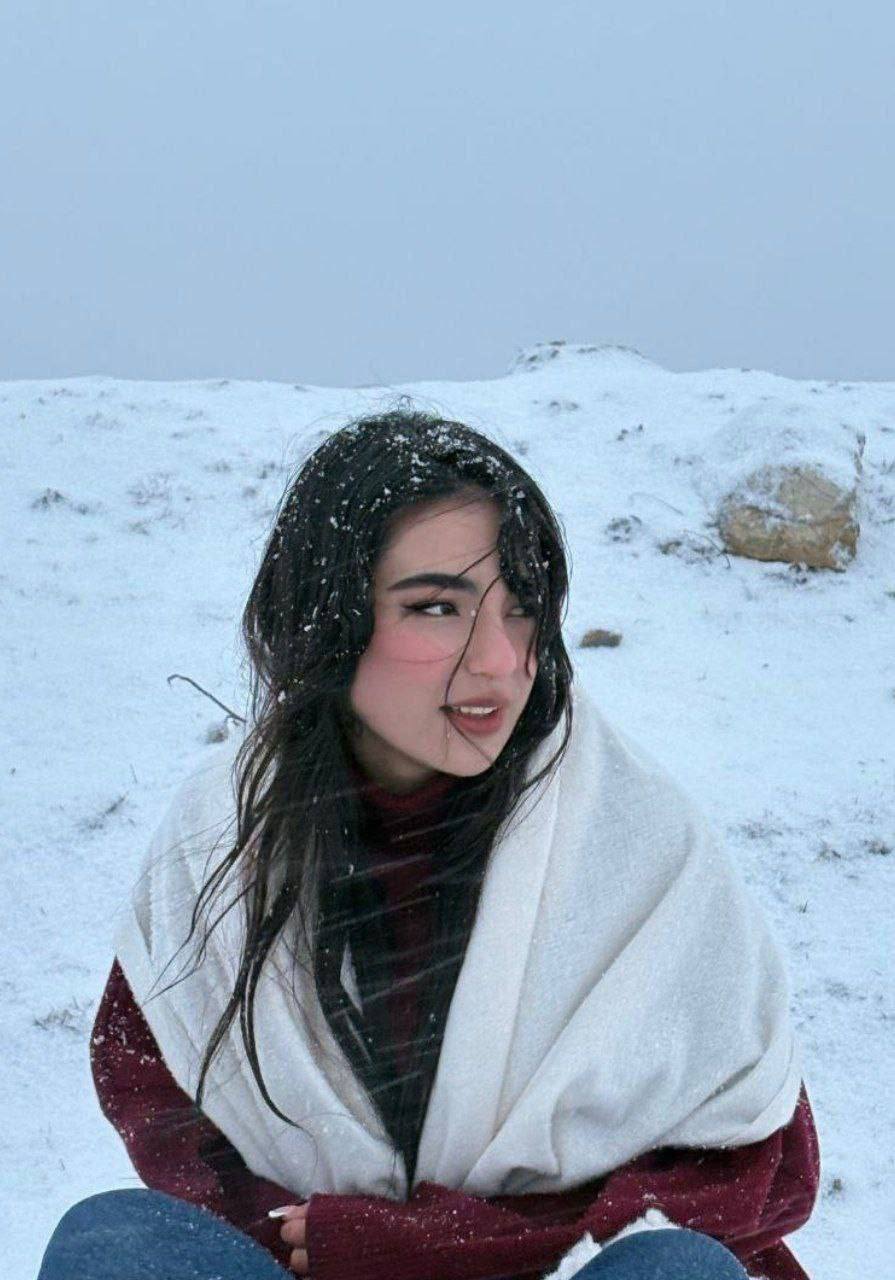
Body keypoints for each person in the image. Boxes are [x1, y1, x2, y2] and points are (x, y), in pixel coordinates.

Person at [45, 406, 820, 1280]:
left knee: (671, 1270)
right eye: (436, 607)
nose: (498, 660)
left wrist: (436, 1248)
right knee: (116, 1241)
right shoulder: (223, 833)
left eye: (521, 610)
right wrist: (305, 1239)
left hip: (564, 1271)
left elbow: (760, 1165)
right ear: (330, 618)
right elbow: (152, 1082)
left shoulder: (637, 838)